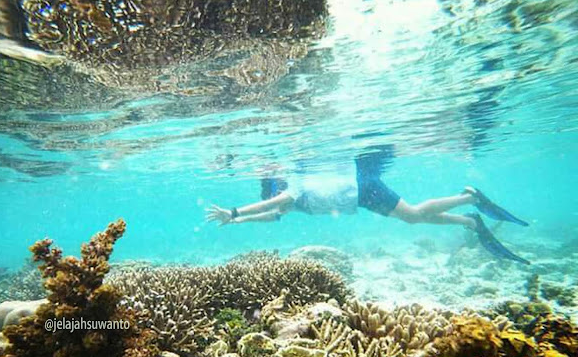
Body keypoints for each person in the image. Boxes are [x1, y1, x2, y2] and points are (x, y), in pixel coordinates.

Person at [206, 146, 530, 264]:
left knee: (415, 214)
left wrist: (235, 212)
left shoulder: (294, 186)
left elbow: (275, 205)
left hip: (363, 188)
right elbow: (271, 215)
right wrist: (238, 223)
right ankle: (470, 221)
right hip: (360, 198)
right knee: (414, 219)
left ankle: (470, 196)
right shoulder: (286, 197)